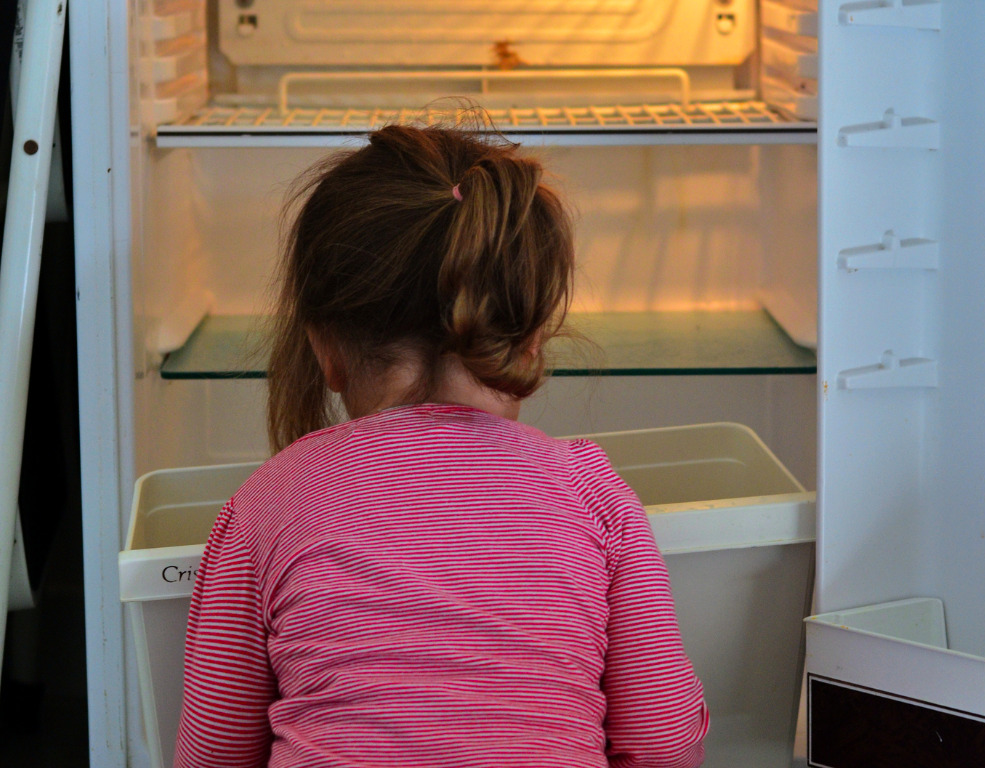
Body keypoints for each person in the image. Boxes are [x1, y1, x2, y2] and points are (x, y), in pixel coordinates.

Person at [174, 123, 708, 768]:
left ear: (324, 348)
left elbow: (214, 751)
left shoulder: (268, 503)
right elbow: (663, 738)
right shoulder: (592, 493)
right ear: (531, 335)